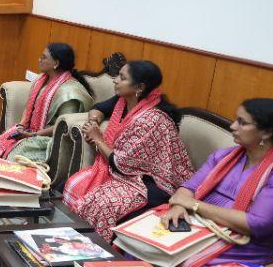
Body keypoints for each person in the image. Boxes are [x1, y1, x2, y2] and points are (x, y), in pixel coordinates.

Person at [163, 99, 273, 267]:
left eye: (242, 122)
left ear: (266, 132)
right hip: (201, 227)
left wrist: (193, 205)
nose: (233, 126)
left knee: (183, 265)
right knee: (147, 247)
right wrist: (179, 206)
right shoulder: (225, 155)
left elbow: (256, 224)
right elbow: (188, 188)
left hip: (247, 244)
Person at [63, 60, 194, 239]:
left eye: (122, 78)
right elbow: (99, 108)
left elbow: (120, 163)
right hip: (126, 172)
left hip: (154, 181)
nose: (115, 80)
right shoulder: (124, 101)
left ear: (139, 87)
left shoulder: (151, 120)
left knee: (104, 204)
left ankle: (93, 247)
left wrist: (97, 139)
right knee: (72, 184)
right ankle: (69, 235)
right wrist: (94, 122)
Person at [0, 42, 93, 164]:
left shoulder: (69, 92)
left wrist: (35, 135)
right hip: (32, 132)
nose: (39, 60)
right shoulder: (41, 79)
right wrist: (22, 126)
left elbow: (63, 125)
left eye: (44, 57)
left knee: (17, 155)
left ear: (56, 63)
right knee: (5, 140)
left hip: (52, 140)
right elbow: (29, 108)